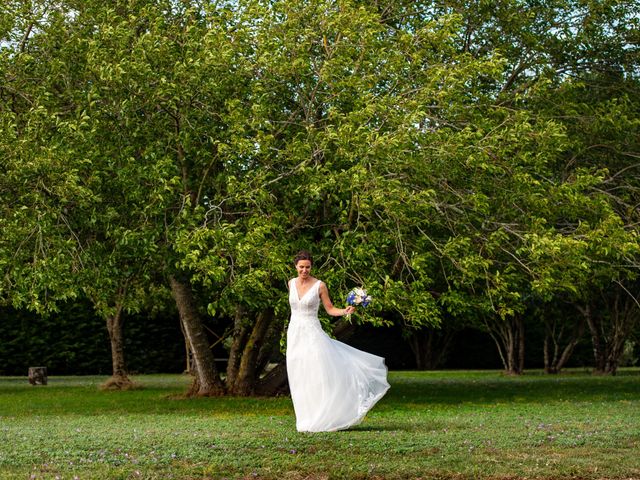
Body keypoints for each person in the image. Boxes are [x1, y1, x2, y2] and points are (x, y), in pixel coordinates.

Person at [286, 250, 390, 432]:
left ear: (311, 267)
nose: (304, 270)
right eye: (301, 267)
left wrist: (345, 311)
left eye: (307, 267)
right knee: (298, 375)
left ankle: (324, 417)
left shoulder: (319, 285)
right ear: (295, 266)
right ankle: (305, 419)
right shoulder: (291, 283)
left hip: (312, 333)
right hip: (295, 333)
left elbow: (330, 309)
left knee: (317, 374)